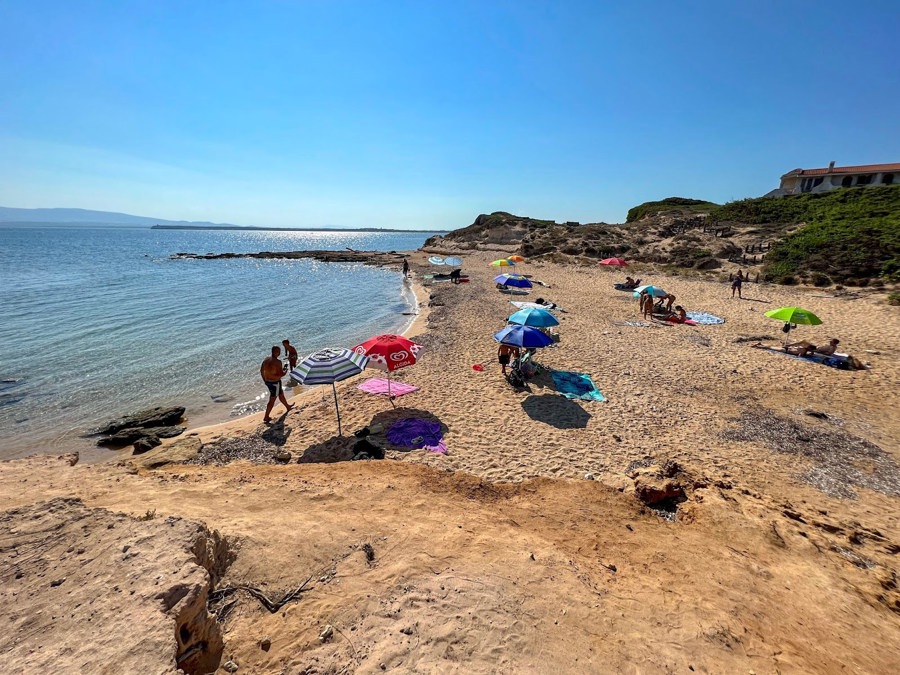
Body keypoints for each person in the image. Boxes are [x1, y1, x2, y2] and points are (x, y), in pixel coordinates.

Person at [261, 346, 294, 423]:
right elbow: (281, 374)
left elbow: (261, 370)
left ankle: (288, 407)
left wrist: (265, 380)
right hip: (275, 383)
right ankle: (266, 417)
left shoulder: (266, 359)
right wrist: (285, 370)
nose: (280, 353)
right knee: (272, 400)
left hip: (269, 382)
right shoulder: (278, 362)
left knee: (281, 394)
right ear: (276, 352)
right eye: (279, 351)